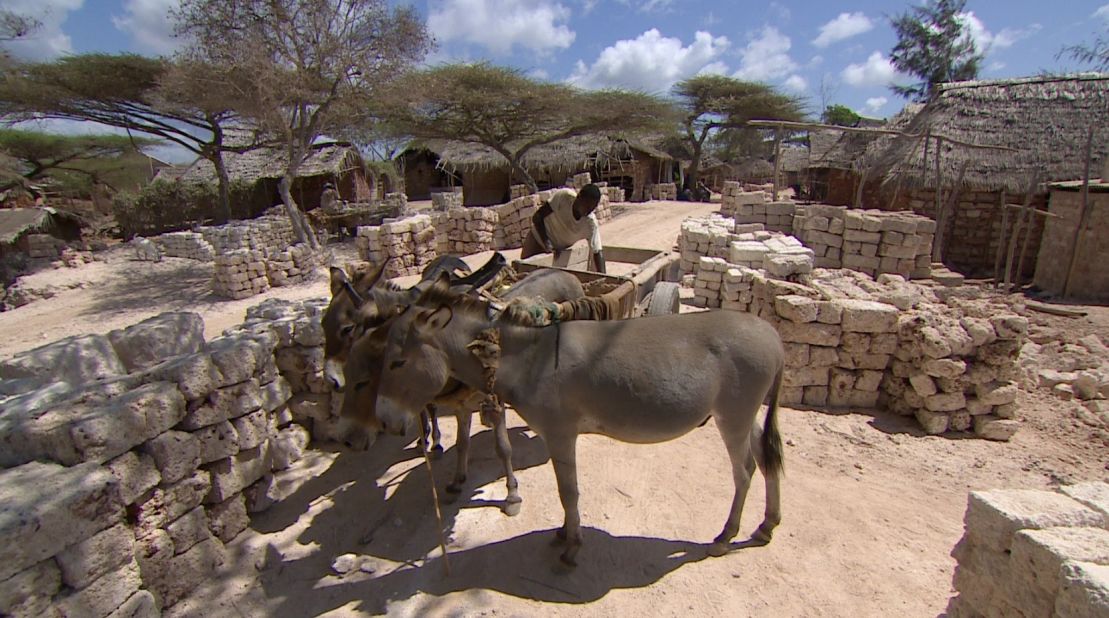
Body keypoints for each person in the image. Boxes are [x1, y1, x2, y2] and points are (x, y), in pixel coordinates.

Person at [521, 183, 606, 274]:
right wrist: (547, 242)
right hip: (536, 239)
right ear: (579, 197)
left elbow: (597, 252)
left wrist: (604, 277)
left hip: (556, 253)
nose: (588, 211)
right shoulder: (564, 197)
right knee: (523, 273)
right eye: (586, 205)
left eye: (592, 208)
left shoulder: (590, 224)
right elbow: (537, 217)